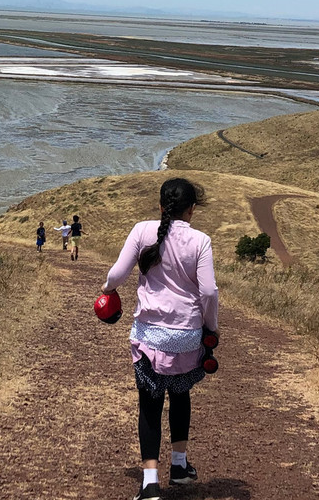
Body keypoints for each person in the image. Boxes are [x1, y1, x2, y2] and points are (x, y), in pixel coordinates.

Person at [101, 178, 218, 500]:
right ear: (192, 209)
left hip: (150, 336)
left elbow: (117, 273)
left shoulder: (142, 230)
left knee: (150, 405)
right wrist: (211, 327)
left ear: (160, 205)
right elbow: (209, 292)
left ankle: (150, 483)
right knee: (180, 394)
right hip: (187, 336)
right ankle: (179, 466)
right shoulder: (201, 240)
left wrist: (107, 290)